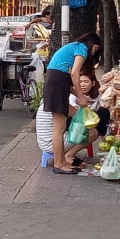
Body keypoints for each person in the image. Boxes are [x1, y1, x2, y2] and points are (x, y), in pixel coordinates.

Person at [43, 32, 102, 174]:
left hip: (57, 82)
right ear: (92, 45)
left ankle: (62, 162)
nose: (94, 53)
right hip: (56, 83)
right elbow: (75, 73)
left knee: (61, 128)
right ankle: (58, 164)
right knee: (59, 128)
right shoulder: (81, 48)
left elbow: (67, 84)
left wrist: (80, 96)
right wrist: (81, 97)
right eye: (95, 49)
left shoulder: (73, 48)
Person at [65, 72, 111, 167]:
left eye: (86, 82)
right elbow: (75, 114)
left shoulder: (98, 95)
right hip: (75, 125)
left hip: (92, 123)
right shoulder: (73, 96)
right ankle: (70, 154)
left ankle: (105, 145)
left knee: (104, 111)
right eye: (80, 82)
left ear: (93, 83)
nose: (82, 84)